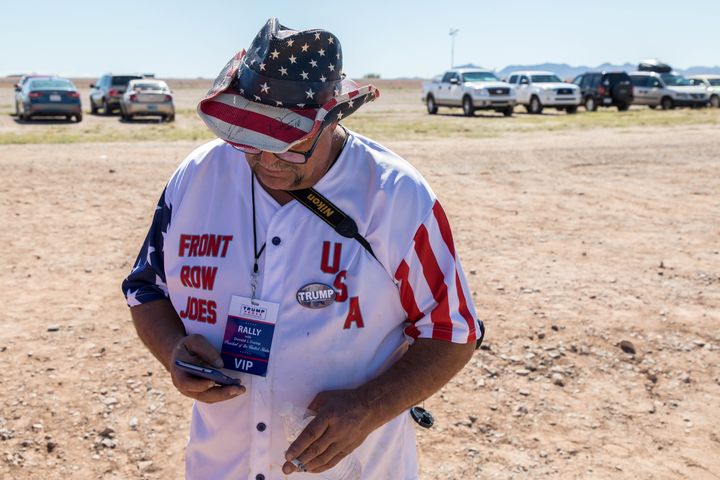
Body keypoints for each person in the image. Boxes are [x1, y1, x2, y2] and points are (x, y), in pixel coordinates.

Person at [122, 17, 484, 480]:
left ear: (331, 119)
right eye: (252, 142)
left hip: (357, 469)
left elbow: (453, 330)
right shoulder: (196, 178)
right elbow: (145, 288)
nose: (267, 160)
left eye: (290, 146)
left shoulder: (395, 195)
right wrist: (174, 351)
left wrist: (369, 408)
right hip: (221, 465)